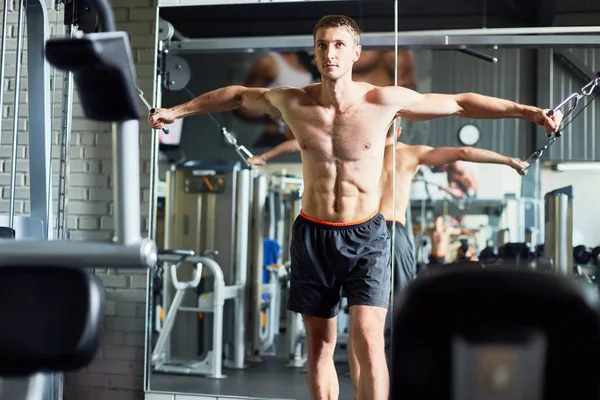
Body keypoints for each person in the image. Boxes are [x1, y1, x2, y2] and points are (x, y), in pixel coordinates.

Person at [148, 14, 562, 400]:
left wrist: (530, 112)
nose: (329, 53)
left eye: (339, 45)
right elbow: (236, 95)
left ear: (355, 52)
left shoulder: (384, 100)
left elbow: (459, 102)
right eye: (322, 45)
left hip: (367, 236)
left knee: (367, 339)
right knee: (319, 345)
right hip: (312, 233)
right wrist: (175, 111)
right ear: (313, 51)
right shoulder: (292, 101)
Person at [248, 126, 528, 293]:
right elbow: (463, 153)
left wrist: (264, 156)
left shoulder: (355, 151)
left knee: (363, 302)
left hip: (358, 231)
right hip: (392, 229)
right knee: (401, 298)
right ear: (399, 130)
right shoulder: (410, 153)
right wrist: (508, 160)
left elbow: (303, 143)